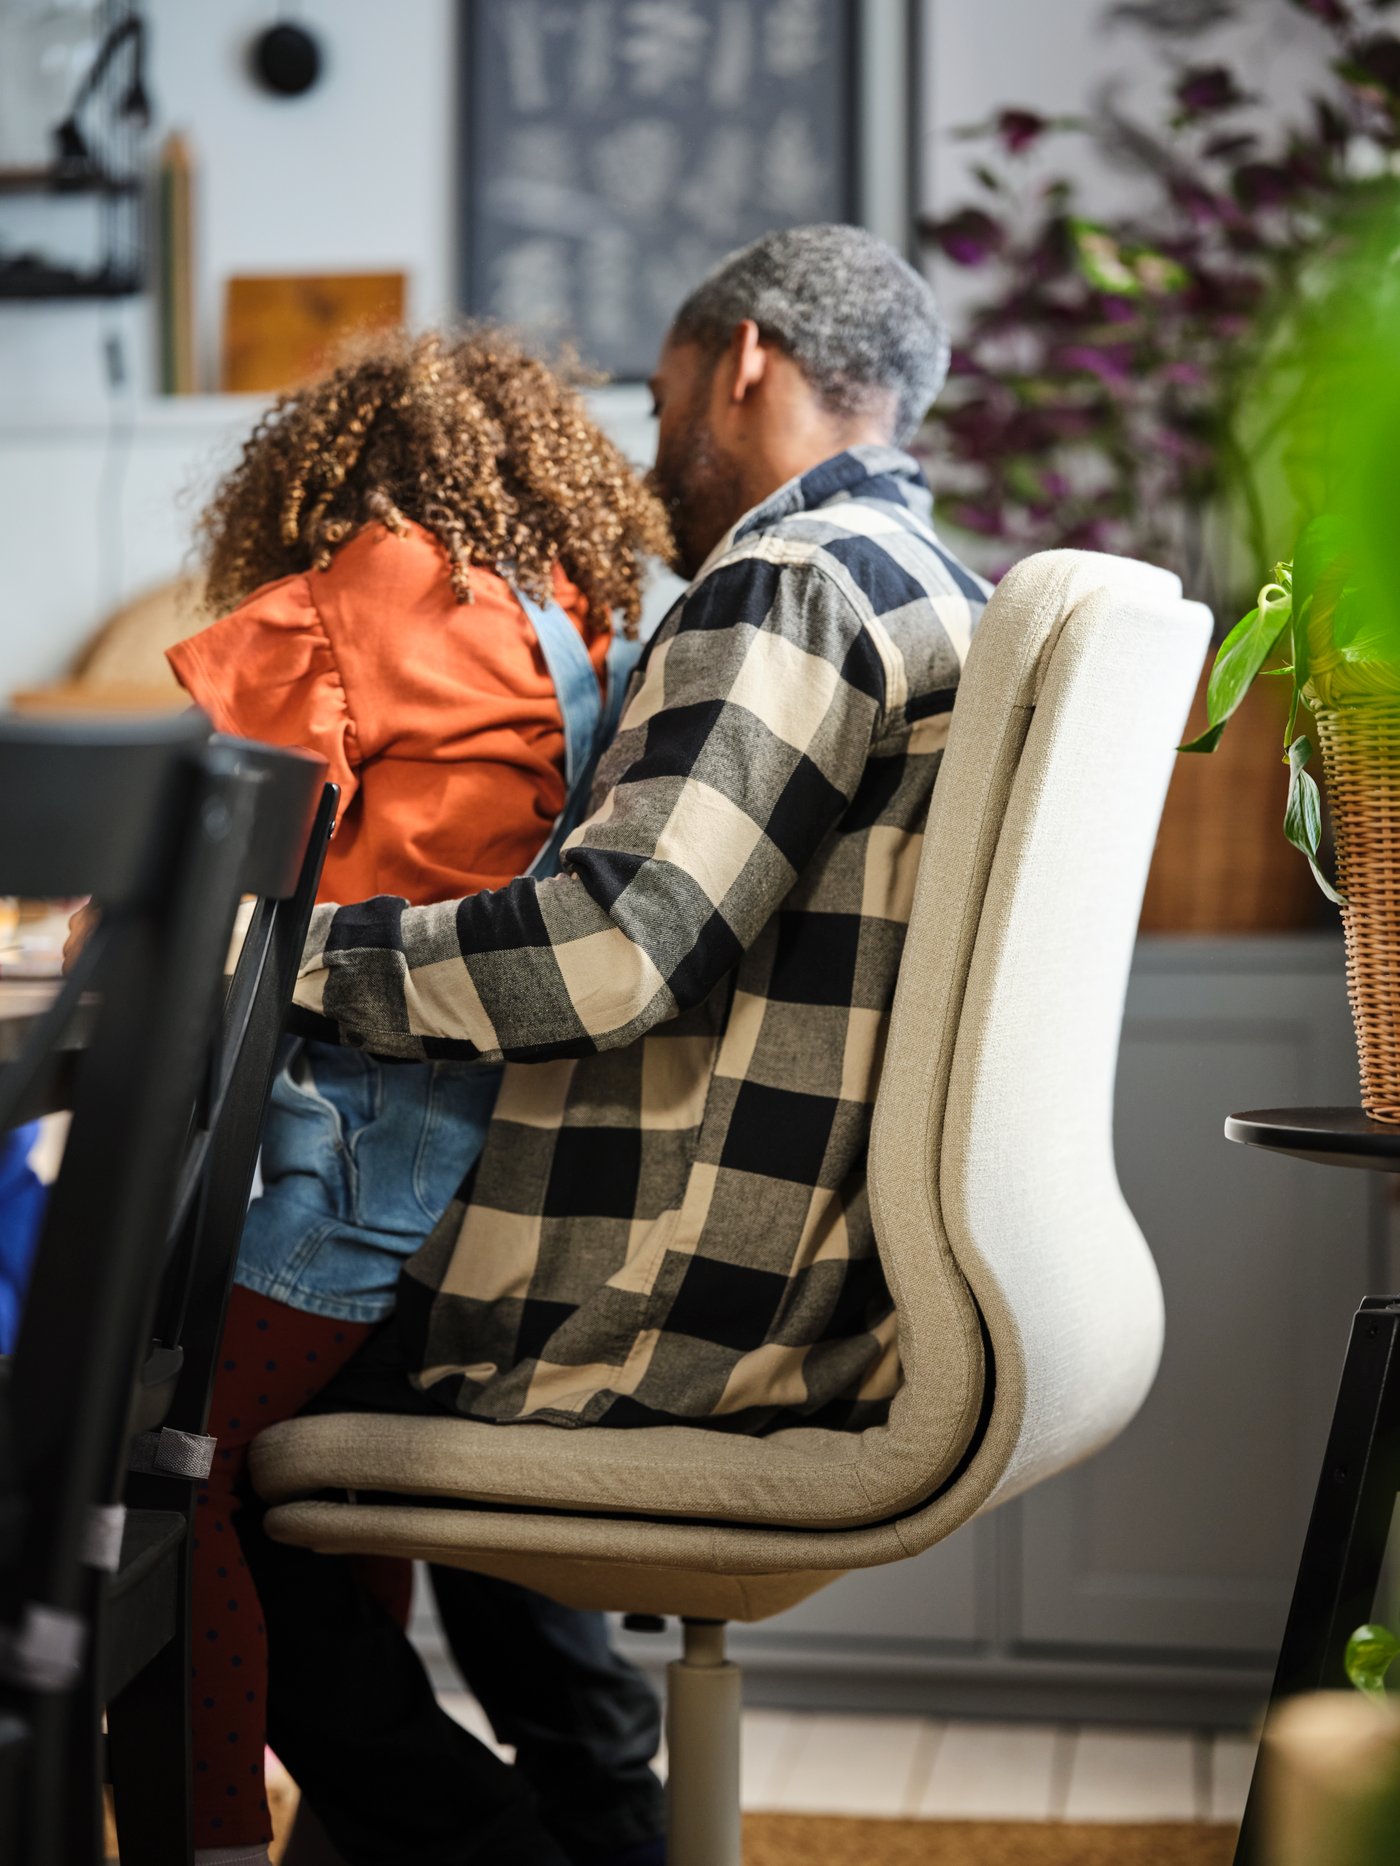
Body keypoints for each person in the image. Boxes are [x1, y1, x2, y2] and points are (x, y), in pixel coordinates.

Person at [229, 223, 992, 1866]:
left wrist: (295, 961)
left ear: (744, 363)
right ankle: (597, 1810)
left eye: (658, 404)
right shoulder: (945, 584)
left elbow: (607, 951)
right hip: (810, 1263)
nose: (648, 465)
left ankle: (493, 1843)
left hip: (675, 1294)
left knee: (183, 1468)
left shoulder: (792, 583)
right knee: (412, 1433)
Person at [152, 328, 674, 1866]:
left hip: (365, 1185)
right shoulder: (591, 622)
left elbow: (214, 884)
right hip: (534, 1200)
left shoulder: (340, 609)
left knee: (165, 1472)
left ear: (319, 476)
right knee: (320, 1486)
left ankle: (239, 1841)